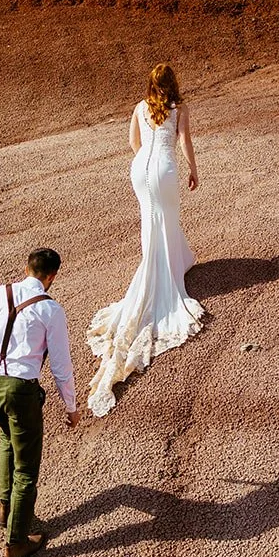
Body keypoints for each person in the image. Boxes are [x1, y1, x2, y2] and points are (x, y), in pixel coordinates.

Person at [86, 63, 204, 417]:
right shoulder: (180, 109)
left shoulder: (140, 107)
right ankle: (164, 273)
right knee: (165, 218)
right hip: (165, 169)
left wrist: (145, 162)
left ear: (151, 84)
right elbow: (184, 140)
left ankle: (171, 260)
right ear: (173, 84)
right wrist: (194, 170)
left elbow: (133, 143)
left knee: (149, 222)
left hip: (140, 170)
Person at [0, 247, 79, 557]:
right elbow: (60, 364)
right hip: (19, 389)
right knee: (27, 468)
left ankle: (6, 507)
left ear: (27, 268)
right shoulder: (51, 310)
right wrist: (71, 406)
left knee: (7, 438)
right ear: (51, 276)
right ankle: (16, 542)